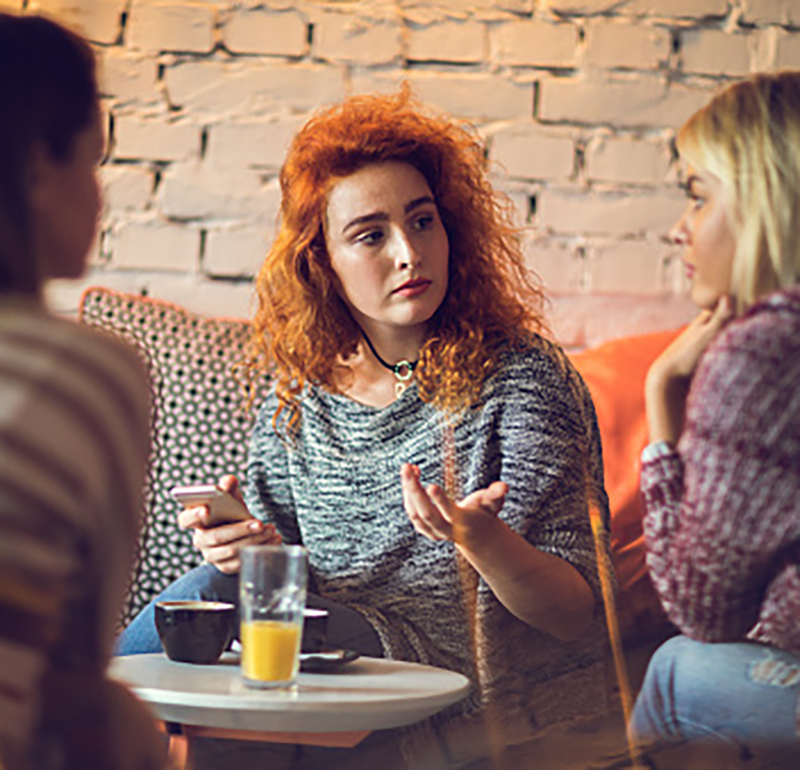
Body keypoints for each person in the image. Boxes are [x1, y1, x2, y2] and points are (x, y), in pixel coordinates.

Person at [119, 89, 611, 764]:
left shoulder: (522, 380)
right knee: (218, 608)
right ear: (322, 260)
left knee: (219, 624)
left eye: (423, 221)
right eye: (371, 235)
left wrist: (481, 540)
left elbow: (574, 615)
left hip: (462, 687)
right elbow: (277, 587)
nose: (409, 252)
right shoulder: (299, 396)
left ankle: (51, 722)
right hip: (329, 665)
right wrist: (251, 549)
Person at [0, 12, 167, 770]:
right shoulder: (88, 375)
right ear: (38, 170)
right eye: (92, 164)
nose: (100, 201)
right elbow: (73, 656)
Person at [630, 71, 800, 764]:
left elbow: (704, 610)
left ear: (767, 199)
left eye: (698, 197)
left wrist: (660, 396)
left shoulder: (765, 354)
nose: (679, 229)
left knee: (675, 665)